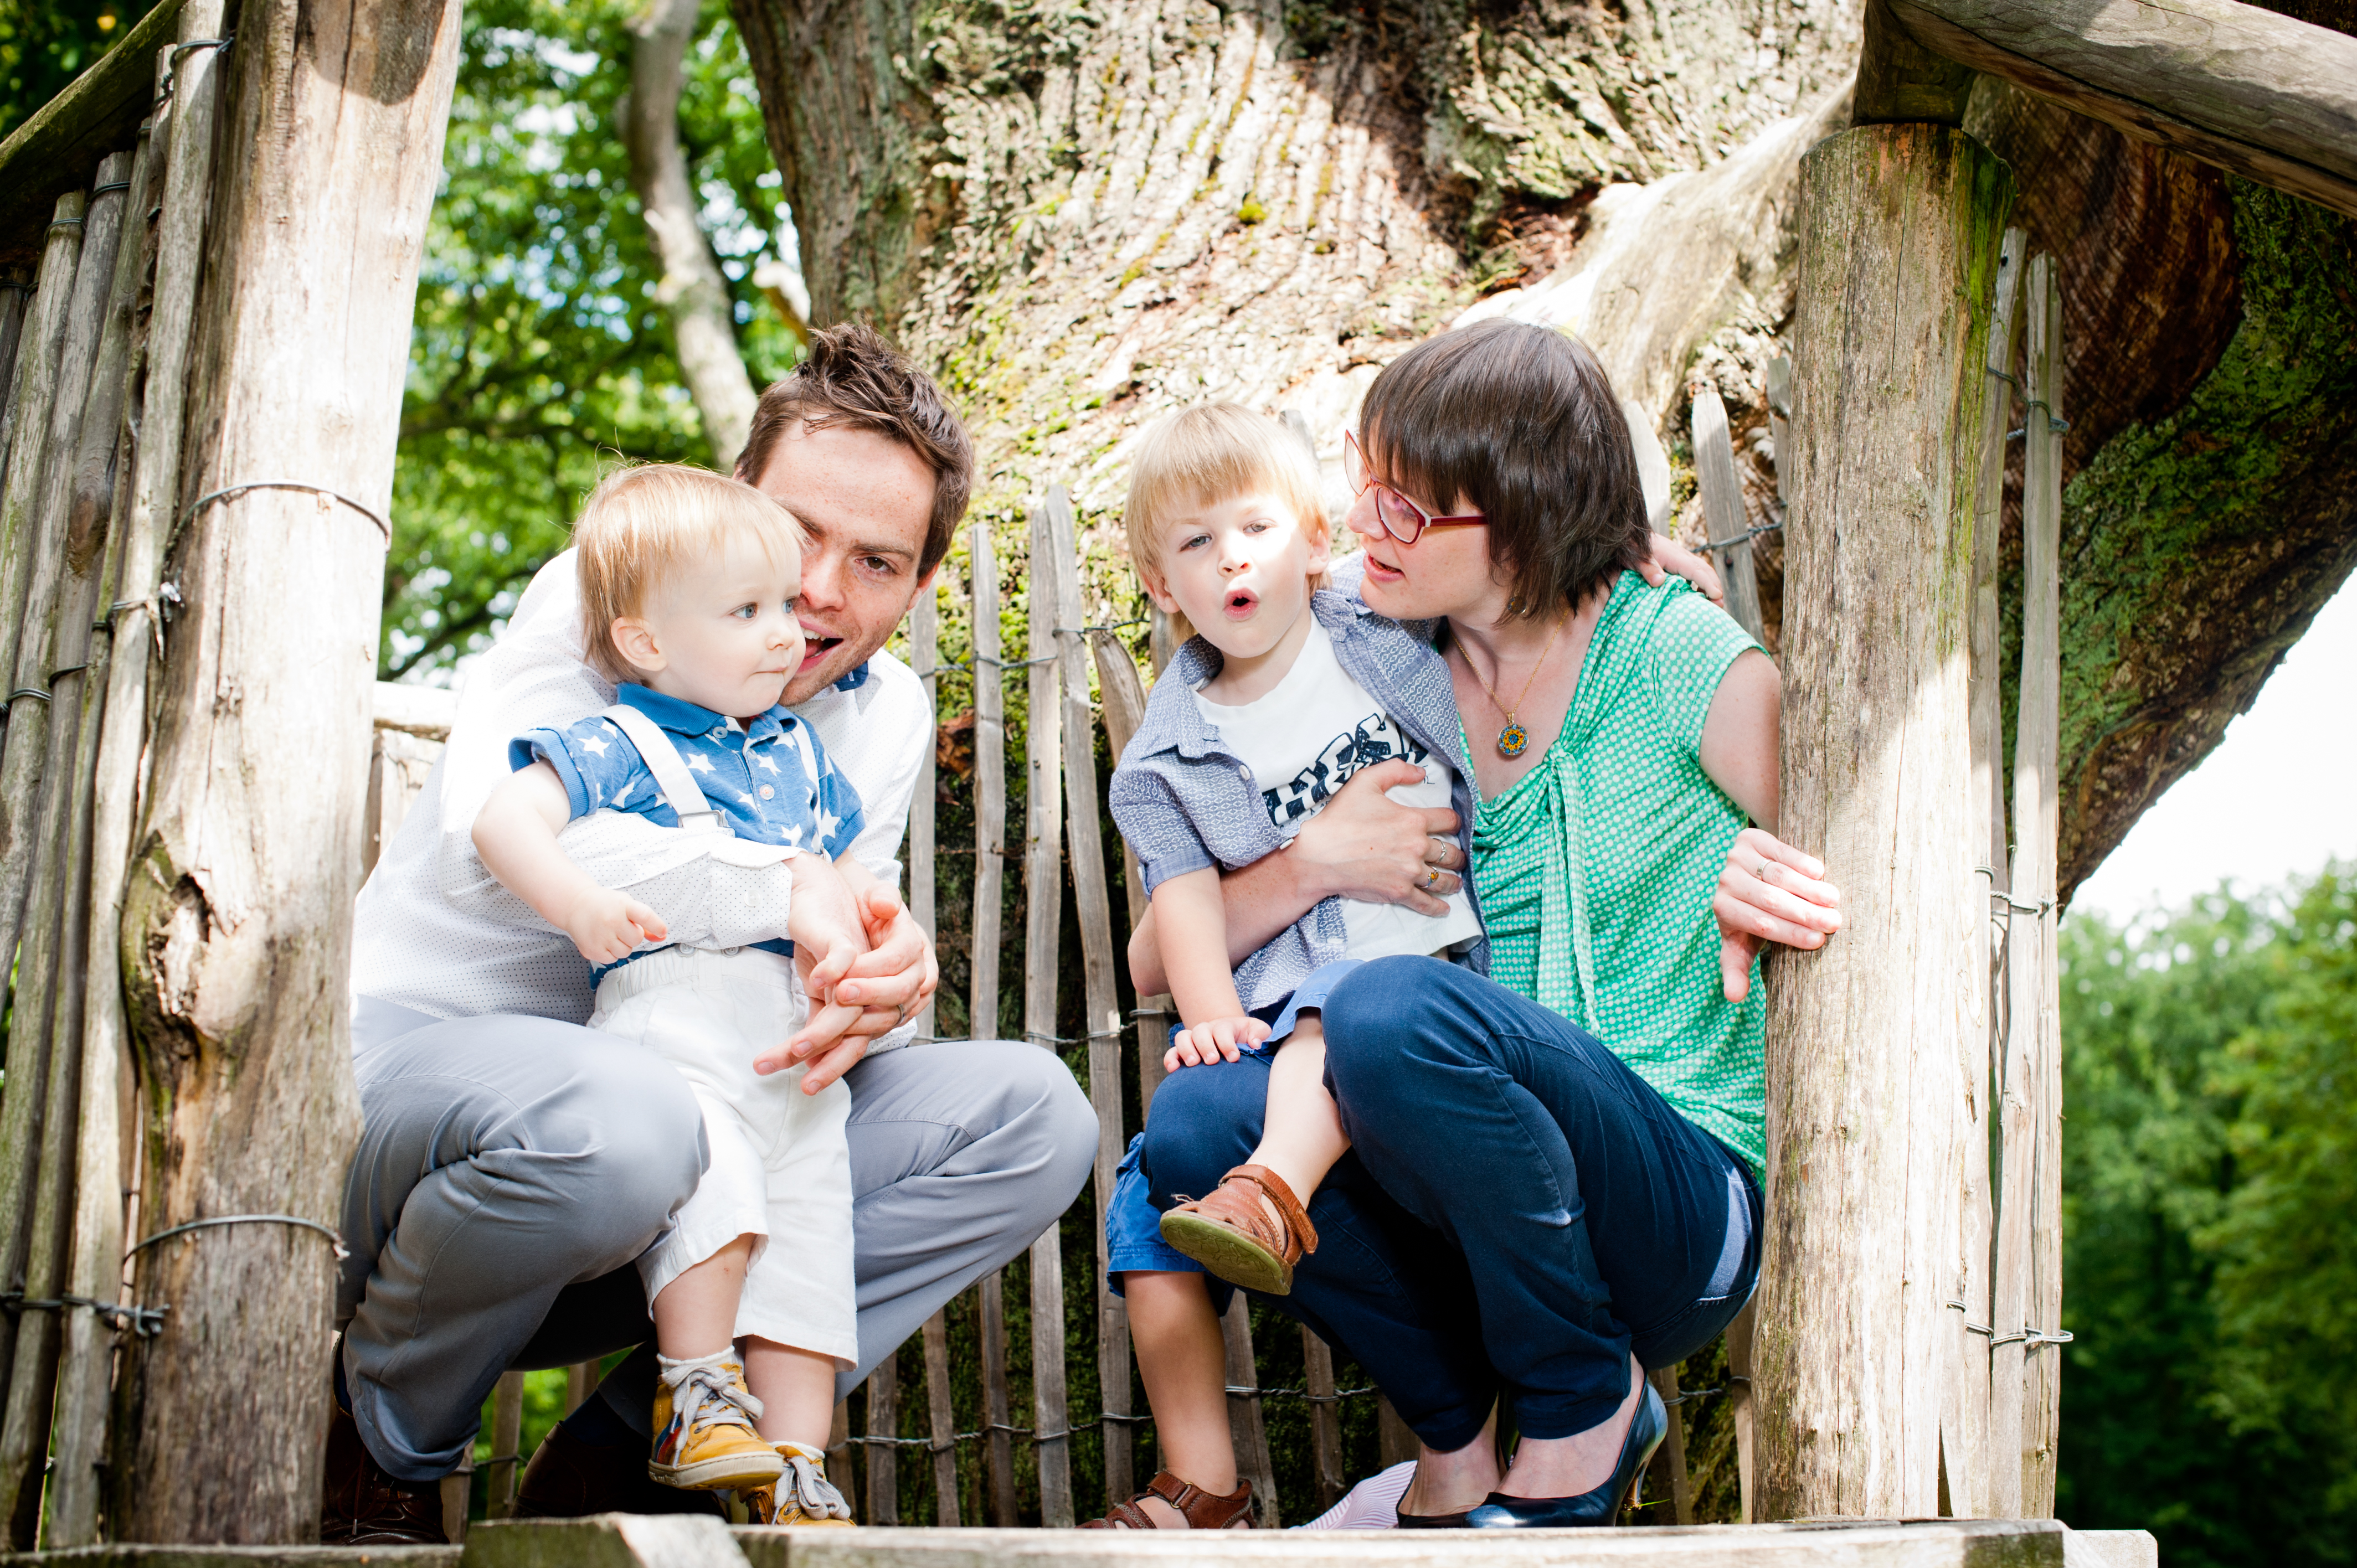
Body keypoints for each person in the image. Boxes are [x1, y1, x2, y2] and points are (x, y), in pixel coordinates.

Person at [327, 326, 1098, 1544]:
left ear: (920, 585)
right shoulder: (604, 600)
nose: (821, 593)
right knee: (630, 1117)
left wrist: (880, 976)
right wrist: (779, 890)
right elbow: (526, 835)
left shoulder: (885, 709)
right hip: (436, 1109)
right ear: (736, 499)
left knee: (1031, 1118)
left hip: (692, 1138)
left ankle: (648, 1452)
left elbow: (843, 905)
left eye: (877, 562)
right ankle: (378, 1445)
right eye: (796, 534)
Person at [1126, 320, 1844, 1529]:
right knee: (1196, 1123)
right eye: (1369, 496)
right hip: (1480, 1231)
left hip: (1670, 1194)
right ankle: (1457, 1433)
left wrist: (1772, 886)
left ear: (1518, 516)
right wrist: (1310, 864)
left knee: (1386, 1008)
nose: (1363, 531)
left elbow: (1865, 854)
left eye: (1406, 513)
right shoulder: (1374, 656)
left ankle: (1581, 1407)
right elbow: (1158, 956)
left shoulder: (1671, 655)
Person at [1085, 405, 1485, 1530]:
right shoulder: (1168, 751)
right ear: (1163, 588)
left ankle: (1271, 1188)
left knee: (1341, 1007)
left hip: (1420, 950)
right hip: (1284, 987)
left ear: (1313, 541)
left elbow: (1505, 583)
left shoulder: (1371, 619)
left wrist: (1619, 556)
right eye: (1196, 545)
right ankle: (1203, 1486)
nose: (1233, 560)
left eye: (1256, 528)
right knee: (1146, 1199)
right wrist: (1208, 1017)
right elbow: (1179, 897)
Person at [471, 464, 874, 1523]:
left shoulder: (798, 754)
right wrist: (575, 905)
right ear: (648, 642)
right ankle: (696, 1395)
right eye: (748, 611)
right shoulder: (619, 741)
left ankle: (795, 1469)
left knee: (808, 1239)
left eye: (786, 605)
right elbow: (505, 825)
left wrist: (871, 939)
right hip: (679, 1018)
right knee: (720, 1191)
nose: (789, 631)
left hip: (790, 1047)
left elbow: (846, 879)